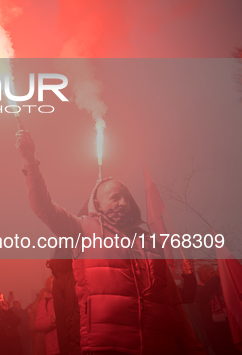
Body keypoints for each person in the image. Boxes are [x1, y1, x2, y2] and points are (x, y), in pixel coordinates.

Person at [16, 129, 204, 355]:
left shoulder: (150, 243)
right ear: (98, 204)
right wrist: (30, 162)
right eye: (115, 197)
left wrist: (193, 348)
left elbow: (174, 305)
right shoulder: (83, 229)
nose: (123, 202)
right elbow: (43, 207)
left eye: (126, 196)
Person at [196, 264, 241, 354]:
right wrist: (217, 276)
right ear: (203, 277)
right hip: (214, 330)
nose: (214, 275)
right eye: (211, 273)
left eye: (214, 273)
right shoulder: (198, 289)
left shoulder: (218, 286)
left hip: (226, 325)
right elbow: (207, 291)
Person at [35, 276, 60, 355]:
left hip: (69, 345)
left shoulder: (66, 300)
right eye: (53, 283)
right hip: (54, 348)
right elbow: (38, 324)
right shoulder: (44, 302)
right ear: (49, 286)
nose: (56, 284)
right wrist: (52, 320)